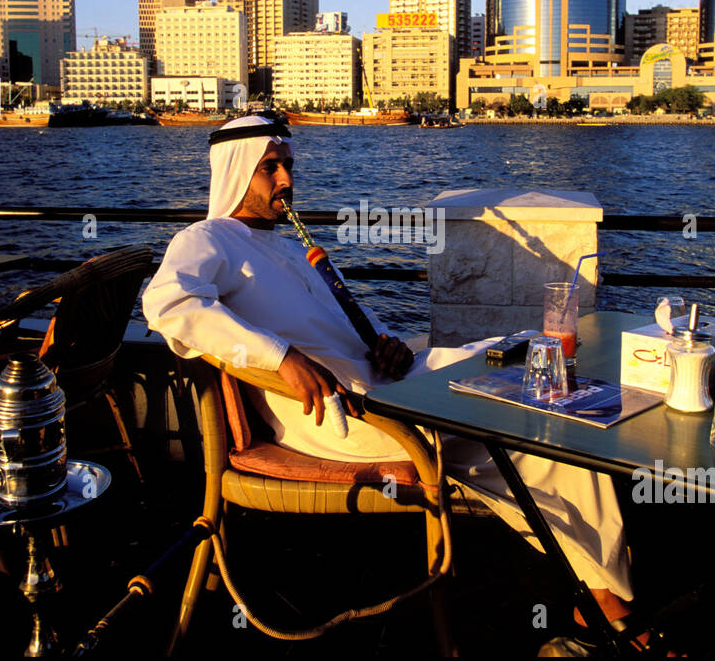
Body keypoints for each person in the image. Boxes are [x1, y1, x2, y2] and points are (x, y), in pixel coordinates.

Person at [142, 113, 636, 625]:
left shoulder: (283, 243)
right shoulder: (208, 238)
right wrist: (281, 358)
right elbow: (170, 306)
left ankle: (600, 590)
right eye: (271, 168)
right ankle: (606, 603)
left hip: (387, 384)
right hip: (344, 418)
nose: (287, 179)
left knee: (533, 364)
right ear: (234, 172)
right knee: (537, 410)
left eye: (288, 165)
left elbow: (338, 323)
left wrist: (386, 345)